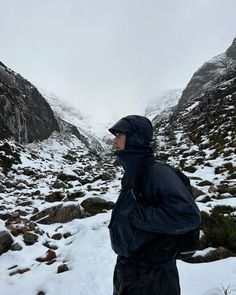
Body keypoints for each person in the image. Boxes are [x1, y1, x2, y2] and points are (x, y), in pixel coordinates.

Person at [108, 115, 201, 295]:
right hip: (129, 269)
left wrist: (135, 217)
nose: (114, 140)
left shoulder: (156, 171)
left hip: (153, 276)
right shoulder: (133, 172)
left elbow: (188, 215)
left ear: (134, 137)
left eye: (119, 135)